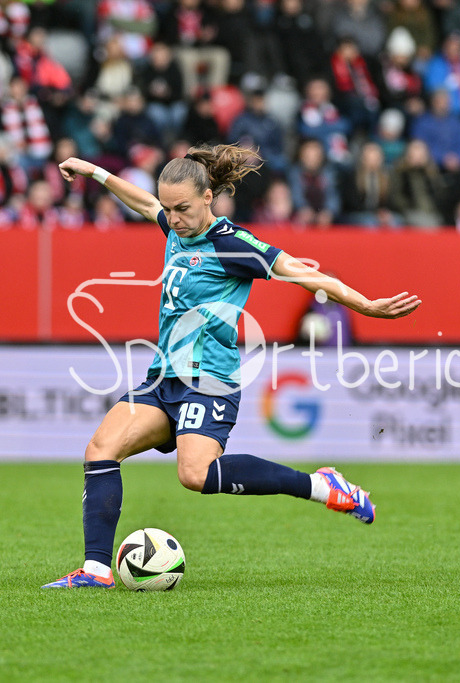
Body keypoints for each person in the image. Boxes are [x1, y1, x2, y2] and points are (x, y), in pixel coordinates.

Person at [42, 144, 421, 588]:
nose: (173, 218)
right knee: (101, 449)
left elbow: (303, 272)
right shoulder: (175, 226)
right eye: (168, 209)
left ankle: (322, 486)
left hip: (210, 382)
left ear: (208, 198)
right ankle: (95, 571)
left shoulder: (233, 244)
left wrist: (366, 305)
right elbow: (143, 202)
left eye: (182, 208)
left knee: (195, 475)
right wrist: (92, 170)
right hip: (163, 378)